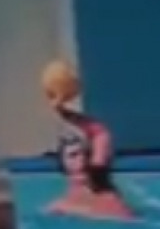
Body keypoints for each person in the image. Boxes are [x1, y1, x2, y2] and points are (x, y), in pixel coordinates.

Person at [40, 61, 134, 220]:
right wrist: (59, 106)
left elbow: (100, 135)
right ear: (62, 163)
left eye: (87, 154)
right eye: (74, 155)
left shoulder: (113, 208)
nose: (82, 162)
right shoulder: (55, 209)